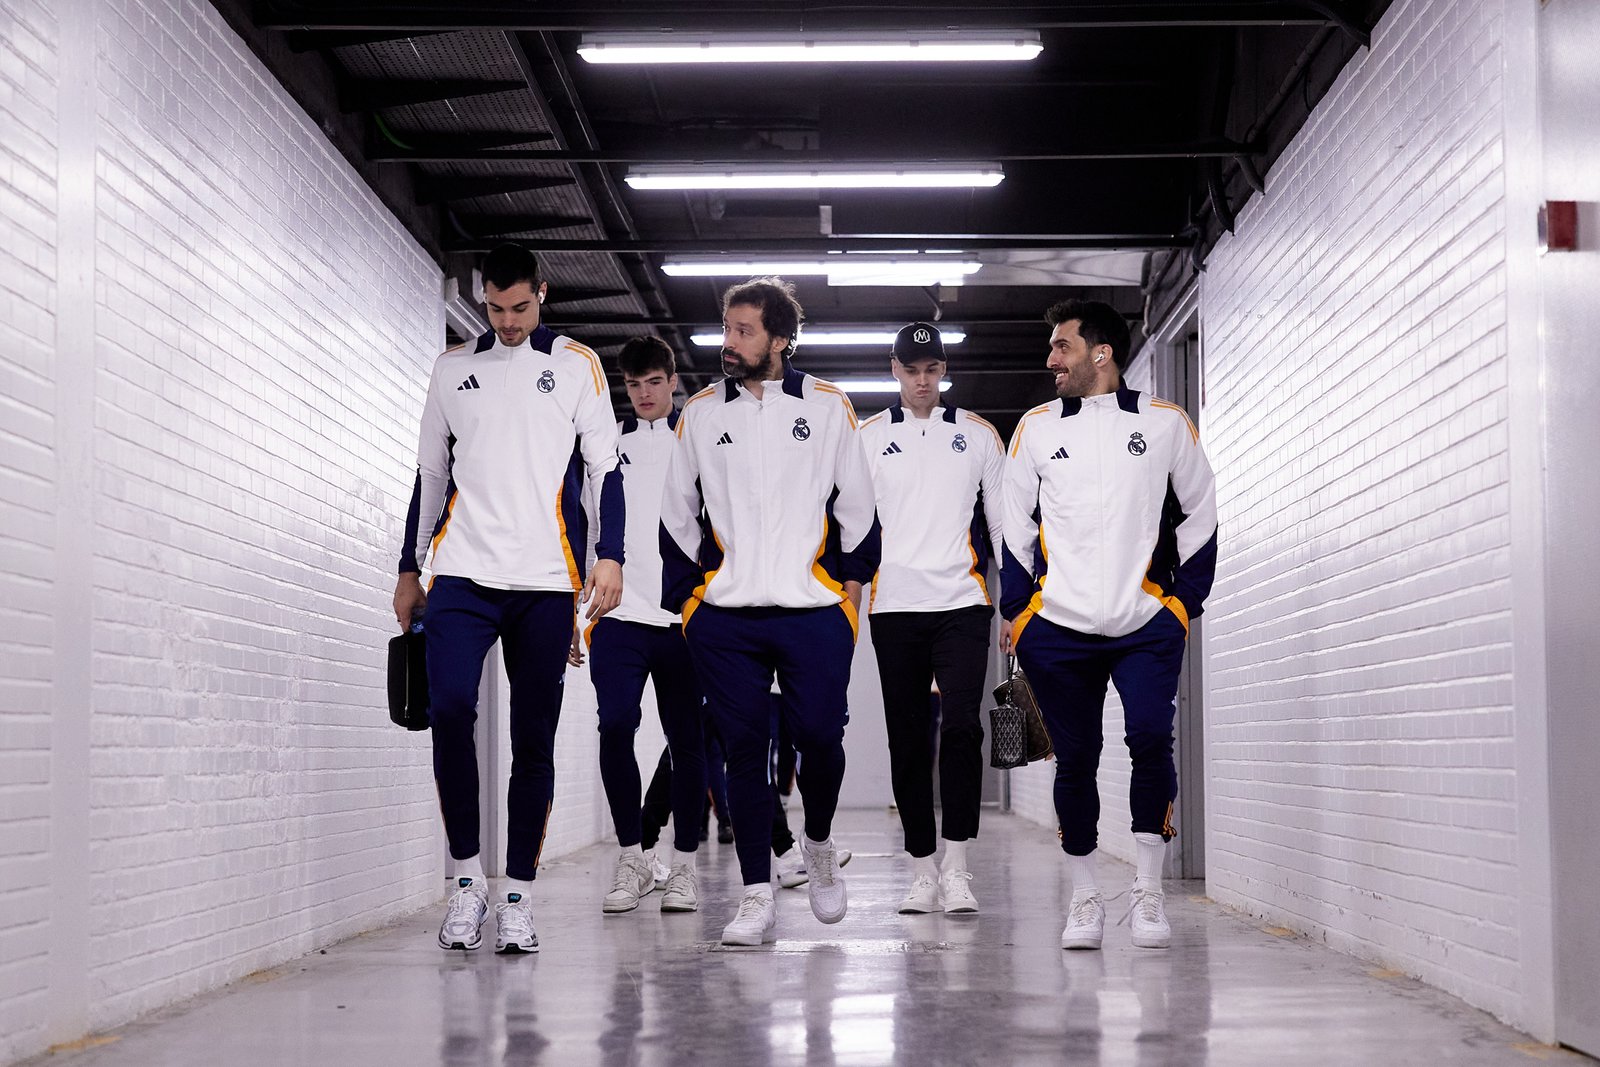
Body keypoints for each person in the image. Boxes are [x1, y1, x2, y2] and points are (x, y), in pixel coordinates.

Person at [392, 243, 624, 954]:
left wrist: (607, 557)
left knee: (533, 738)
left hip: (546, 583)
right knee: (452, 708)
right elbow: (430, 473)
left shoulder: (578, 365)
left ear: (542, 293)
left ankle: (517, 894)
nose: (508, 319)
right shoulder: (453, 368)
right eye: (495, 308)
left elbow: (604, 470)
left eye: (519, 306)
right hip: (461, 574)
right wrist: (409, 566)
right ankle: (468, 884)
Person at [659, 277, 880, 947]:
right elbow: (676, 515)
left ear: (780, 340)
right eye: (726, 328)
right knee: (744, 751)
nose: (729, 342)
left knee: (821, 737)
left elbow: (858, 512)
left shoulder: (830, 406)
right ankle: (757, 894)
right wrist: (694, 602)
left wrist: (848, 597)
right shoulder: (699, 412)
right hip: (725, 617)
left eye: (744, 331)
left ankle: (816, 840)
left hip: (813, 609)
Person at [1000, 299, 1217, 952]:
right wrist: (1021, 612)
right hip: (1058, 627)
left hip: (1146, 620)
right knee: (1077, 759)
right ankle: (1085, 895)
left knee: (1151, 737)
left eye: (1062, 346)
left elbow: (1202, 514)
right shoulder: (1036, 428)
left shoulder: (1164, 424)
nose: (1050, 359)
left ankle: (1149, 890)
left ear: (1101, 354)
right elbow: (1013, 527)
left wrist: (1184, 602)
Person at [857, 322, 1005, 915]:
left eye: (932, 369)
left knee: (965, 727)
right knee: (909, 738)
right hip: (894, 606)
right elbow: (848, 523)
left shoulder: (978, 436)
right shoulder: (865, 438)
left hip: (963, 604)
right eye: (911, 369)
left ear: (944, 372)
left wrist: (1016, 602)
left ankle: (959, 865)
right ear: (894, 370)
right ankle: (921, 869)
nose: (922, 380)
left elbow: (1002, 528)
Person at [566, 336, 705, 914]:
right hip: (618, 617)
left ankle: (686, 867)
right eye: (633, 384)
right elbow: (582, 528)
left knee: (688, 743)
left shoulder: (695, 445)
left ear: (672, 382)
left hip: (684, 620)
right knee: (615, 725)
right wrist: (573, 611)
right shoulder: (607, 450)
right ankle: (633, 856)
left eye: (654, 382)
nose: (644, 394)